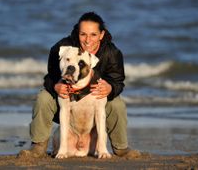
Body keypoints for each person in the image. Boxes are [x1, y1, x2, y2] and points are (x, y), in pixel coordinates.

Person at [24, 12, 140, 158]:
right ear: (78, 33)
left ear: (101, 34)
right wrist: (55, 86)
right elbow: (50, 76)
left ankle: (121, 147)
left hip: (95, 100)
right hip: (66, 102)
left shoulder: (112, 53)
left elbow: (118, 81)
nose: (87, 40)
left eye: (93, 35)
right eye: (83, 34)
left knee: (117, 104)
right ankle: (38, 145)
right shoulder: (61, 48)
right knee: (44, 98)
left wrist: (110, 88)